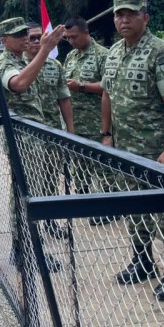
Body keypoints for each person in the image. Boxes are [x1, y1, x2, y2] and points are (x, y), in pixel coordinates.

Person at [100, 0, 164, 302]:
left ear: (145, 18)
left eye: (131, 14)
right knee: (135, 209)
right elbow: (107, 95)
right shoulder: (113, 53)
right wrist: (106, 134)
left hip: (155, 151)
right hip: (126, 149)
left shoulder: (161, 53)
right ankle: (143, 262)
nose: (124, 19)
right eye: (119, 14)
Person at [0, 17, 65, 271]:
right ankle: (29, 250)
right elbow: (19, 84)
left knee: (26, 193)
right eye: (18, 35)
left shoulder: (19, 60)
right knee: (28, 195)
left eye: (26, 33)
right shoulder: (6, 62)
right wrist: (45, 50)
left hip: (30, 138)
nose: (25, 38)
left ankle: (24, 249)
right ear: (4, 41)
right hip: (22, 140)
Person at [63, 16, 114, 215]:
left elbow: (109, 88)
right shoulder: (70, 57)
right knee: (81, 164)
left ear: (86, 32)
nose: (71, 41)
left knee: (104, 165)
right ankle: (85, 202)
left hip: (98, 121)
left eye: (74, 37)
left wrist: (81, 86)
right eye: (67, 38)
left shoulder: (104, 55)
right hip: (77, 122)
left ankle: (109, 208)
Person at [24, 22, 74, 133]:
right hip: (27, 131)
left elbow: (64, 98)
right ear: (25, 40)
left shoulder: (55, 65)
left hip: (53, 129)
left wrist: (70, 129)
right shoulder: (17, 65)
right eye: (32, 38)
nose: (36, 41)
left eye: (39, 37)